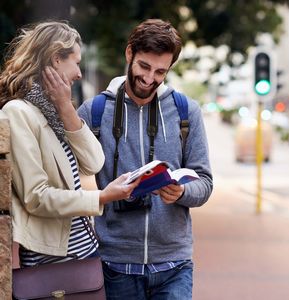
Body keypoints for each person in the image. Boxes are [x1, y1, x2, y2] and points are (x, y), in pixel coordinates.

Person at [77, 19, 213, 299]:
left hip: (174, 265)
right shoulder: (94, 111)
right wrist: (104, 194)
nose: (150, 79)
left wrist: (182, 192)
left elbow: (205, 183)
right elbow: (67, 177)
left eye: (160, 71)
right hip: (115, 265)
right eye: (144, 66)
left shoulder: (186, 112)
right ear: (129, 54)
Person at [0, 21, 140, 267]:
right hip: (52, 259)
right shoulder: (18, 112)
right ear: (56, 58)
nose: (79, 73)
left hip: (84, 250)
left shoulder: (54, 109)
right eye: (76, 62)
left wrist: (66, 108)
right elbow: (36, 197)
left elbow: (94, 162)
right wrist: (101, 197)